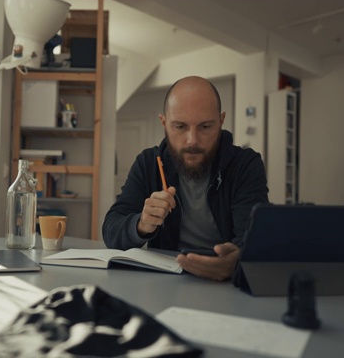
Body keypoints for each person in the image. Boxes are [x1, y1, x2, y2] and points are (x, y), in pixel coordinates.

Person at [102, 76, 269, 281]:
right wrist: (142, 224)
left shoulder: (245, 165)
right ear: (164, 123)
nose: (192, 141)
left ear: (221, 121)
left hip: (227, 285)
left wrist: (236, 261)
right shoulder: (148, 163)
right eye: (180, 127)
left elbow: (255, 242)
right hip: (166, 283)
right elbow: (111, 230)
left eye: (205, 127)